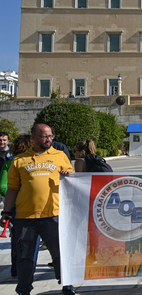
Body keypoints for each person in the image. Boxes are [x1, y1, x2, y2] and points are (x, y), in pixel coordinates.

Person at [0, 123, 75, 295]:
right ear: (33, 137)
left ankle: (66, 285)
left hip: (53, 215)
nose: (49, 140)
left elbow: (72, 181)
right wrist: (6, 212)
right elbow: (12, 188)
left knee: (59, 254)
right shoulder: (19, 160)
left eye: (50, 136)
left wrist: (67, 176)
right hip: (25, 218)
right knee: (24, 257)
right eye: (44, 136)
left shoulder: (60, 156)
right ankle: (24, 290)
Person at [1, 134, 41, 280]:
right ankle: (30, 271)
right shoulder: (35, 163)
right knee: (34, 240)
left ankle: (16, 270)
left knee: (17, 240)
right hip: (32, 206)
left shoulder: (10, 163)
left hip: (15, 208)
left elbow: (3, 187)